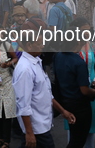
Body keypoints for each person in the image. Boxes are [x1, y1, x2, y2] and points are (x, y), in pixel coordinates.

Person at [13, 17, 76, 148]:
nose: (43, 46)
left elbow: (46, 93)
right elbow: (23, 105)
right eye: (40, 43)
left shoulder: (36, 62)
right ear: (29, 45)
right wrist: (29, 133)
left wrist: (62, 111)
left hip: (42, 125)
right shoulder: (25, 69)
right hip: (36, 129)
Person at [53, 26, 95, 148]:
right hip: (80, 105)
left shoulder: (58, 56)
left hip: (65, 101)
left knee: (74, 137)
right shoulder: (78, 62)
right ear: (78, 42)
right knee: (78, 141)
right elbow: (84, 90)